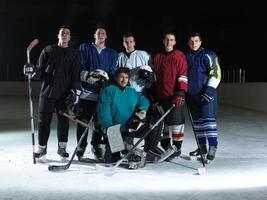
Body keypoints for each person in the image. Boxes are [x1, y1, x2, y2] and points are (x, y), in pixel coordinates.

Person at [23, 25, 81, 158]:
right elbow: (40, 72)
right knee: (44, 122)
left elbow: (75, 75)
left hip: (64, 95)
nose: (64, 35)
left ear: (70, 37)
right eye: (62, 33)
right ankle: (42, 149)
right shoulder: (48, 50)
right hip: (47, 93)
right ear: (58, 35)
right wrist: (32, 71)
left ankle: (62, 148)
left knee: (63, 122)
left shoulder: (74, 53)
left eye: (67, 33)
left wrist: (75, 91)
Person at [97, 67, 156, 169]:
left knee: (152, 123)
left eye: (126, 77)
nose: (124, 80)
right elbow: (104, 113)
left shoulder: (131, 92)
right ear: (116, 78)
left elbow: (144, 101)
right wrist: (110, 129)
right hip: (112, 129)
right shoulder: (108, 90)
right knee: (112, 158)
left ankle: (145, 152)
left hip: (128, 128)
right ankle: (123, 150)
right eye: (121, 77)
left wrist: (141, 110)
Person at [76, 26, 118, 160]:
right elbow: (80, 67)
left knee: (99, 123)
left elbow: (113, 72)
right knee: (83, 122)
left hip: (102, 95)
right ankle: (81, 146)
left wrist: (107, 82)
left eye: (103, 33)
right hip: (87, 93)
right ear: (94, 35)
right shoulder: (85, 48)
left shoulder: (112, 53)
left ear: (106, 36)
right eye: (98, 33)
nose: (101, 35)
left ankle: (96, 145)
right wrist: (92, 79)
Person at [152, 32, 188, 160]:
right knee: (166, 123)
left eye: (171, 40)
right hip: (162, 96)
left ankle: (177, 147)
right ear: (163, 41)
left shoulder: (179, 55)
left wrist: (180, 92)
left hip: (175, 95)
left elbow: (183, 74)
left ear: (174, 42)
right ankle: (167, 146)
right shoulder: (157, 56)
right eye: (167, 39)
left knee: (177, 121)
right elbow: (155, 77)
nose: (169, 42)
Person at [186, 32, 221, 161]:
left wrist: (210, 90)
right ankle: (202, 147)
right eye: (191, 41)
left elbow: (216, 73)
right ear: (188, 43)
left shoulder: (208, 54)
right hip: (192, 96)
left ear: (200, 42)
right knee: (197, 124)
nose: (194, 43)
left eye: (196, 41)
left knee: (208, 121)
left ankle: (212, 147)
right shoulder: (187, 56)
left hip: (206, 94)